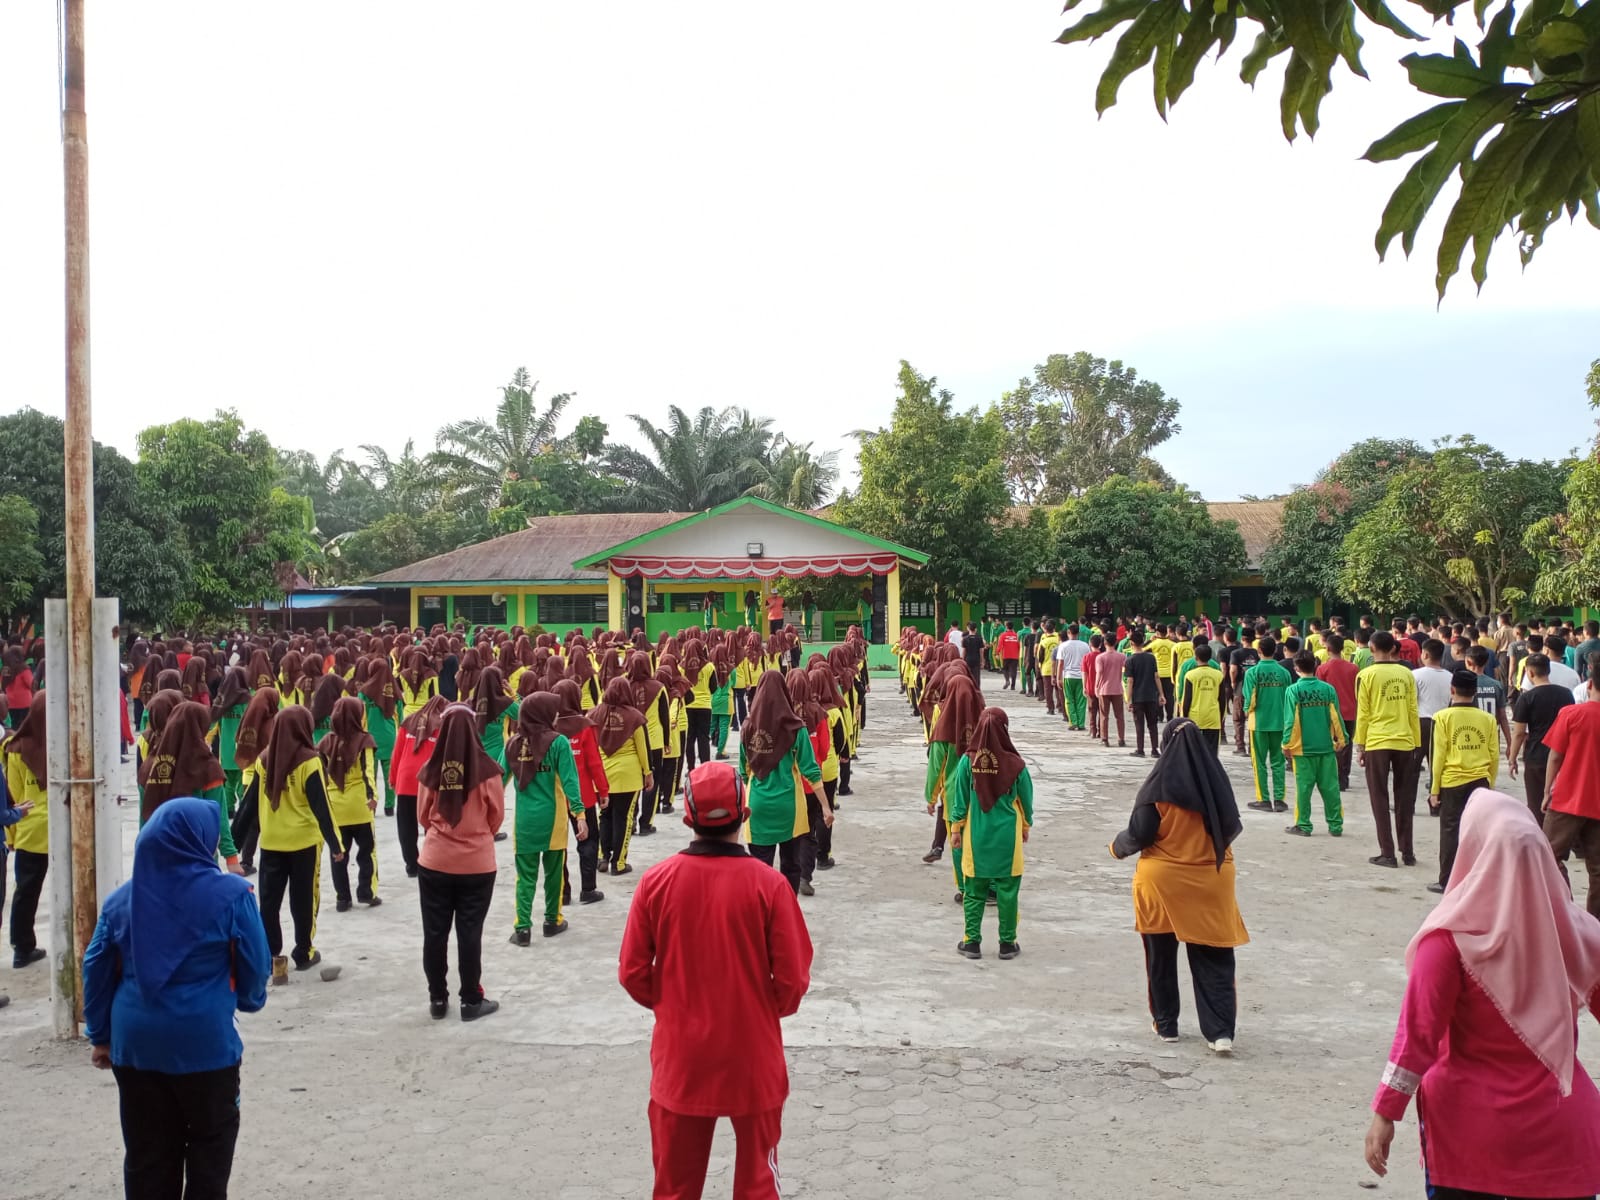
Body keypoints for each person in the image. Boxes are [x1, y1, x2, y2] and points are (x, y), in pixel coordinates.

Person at [1364, 790, 1600, 1197]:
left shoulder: (1448, 942)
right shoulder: (1576, 934)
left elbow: (1417, 1036)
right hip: (1564, 1137)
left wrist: (1387, 1111)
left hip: (1469, 1141)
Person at [619, 760, 813, 1200]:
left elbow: (632, 972)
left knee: (674, 1188)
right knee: (758, 1185)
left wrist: (673, 1003)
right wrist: (760, 1007)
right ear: (745, 813)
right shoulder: (770, 885)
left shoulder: (656, 883)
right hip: (752, 1056)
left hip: (682, 1060)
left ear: (687, 816)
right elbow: (793, 978)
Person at [82, 798, 272, 1200]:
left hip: (135, 1049)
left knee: (148, 1156)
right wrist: (251, 1001)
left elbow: (95, 967)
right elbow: (256, 963)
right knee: (210, 1152)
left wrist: (100, 1036)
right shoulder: (233, 895)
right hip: (206, 1048)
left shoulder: (120, 902)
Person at [1109, 718, 1248, 1054]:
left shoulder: (1157, 788)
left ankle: (1167, 1025)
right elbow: (1231, 825)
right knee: (1214, 957)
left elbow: (1139, 833)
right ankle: (1220, 1033)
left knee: (1159, 955)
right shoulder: (1217, 784)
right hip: (1210, 881)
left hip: (1162, 882)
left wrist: (1117, 847)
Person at [240, 706, 345, 981]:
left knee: (269, 903)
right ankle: (304, 951)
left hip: (271, 843)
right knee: (304, 900)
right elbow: (322, 806)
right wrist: (336, 844)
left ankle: (272, 955)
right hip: (303, 844)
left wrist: (234, 843)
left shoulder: (264, 759)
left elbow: (249, 804)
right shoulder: (310, 761)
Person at [416, 704, 505, 1021]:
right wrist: (475, 835)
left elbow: (423, 817)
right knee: (470, 932)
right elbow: (496, 818)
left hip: (435, 862)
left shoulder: (430, 768)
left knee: (435, 933)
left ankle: (437, 999)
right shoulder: (489, 771)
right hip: (477, 866)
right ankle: (470, 1000)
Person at [948, 709, 1033, 961]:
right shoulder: (1016, 764)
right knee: (1007, 891)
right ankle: (1007, 943)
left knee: (974, 890)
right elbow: (1026, 800)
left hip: (976, 836)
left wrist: (955, 829)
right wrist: (1026, 826)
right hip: (1008, 837)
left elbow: (959, 799)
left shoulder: (967, 761)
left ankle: (971, 942)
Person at [505, 695, 587, 945]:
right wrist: (580, 814)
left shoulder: (512, 745)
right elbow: (571, 780)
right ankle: (552, 920)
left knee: (525, 876)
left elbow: (496, 780)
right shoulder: (558, 742)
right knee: (554, 873)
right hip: (553, 820)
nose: (556, 716)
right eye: (553, 712)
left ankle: (522, 929)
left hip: (524, 822)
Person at [739, 672, 823, 893]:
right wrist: (825, 805)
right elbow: (811, 771)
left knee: (759, 869)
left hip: (756, 806)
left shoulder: (747, 728)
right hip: (789, 807)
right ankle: (787, 915)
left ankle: (760, 919)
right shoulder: (796, 729)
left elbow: (743, 771)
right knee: (791, 866)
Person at [1426, 670, 1499, 894]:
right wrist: (1490, 784)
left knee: (1450, 831)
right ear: (1475, 693)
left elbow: (1437, 756)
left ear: (1452, 690)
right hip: (1480, 781)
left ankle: (1447, 880)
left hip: (1452, 781)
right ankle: (1476, 881)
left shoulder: (1442, 718)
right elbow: (1494, 754)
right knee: (1477, 832)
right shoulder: (1488, 719)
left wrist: (1434, 789)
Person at [1355, 631, 1422, 870]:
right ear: (1393, 649)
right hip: (1405, 740)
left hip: (1377, 741)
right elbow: (1413, 709)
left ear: (1371, 648)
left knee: (1379, 798)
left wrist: (1360, 745)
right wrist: (1416, 742)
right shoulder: (1406, 674)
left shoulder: (1366, 675)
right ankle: (1408, 851)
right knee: (1404, 798)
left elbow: (1363, 713)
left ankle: (1388, 852)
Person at [1541, 672, 1600, 920]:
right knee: (1597, 869)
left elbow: (1555, 756)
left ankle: (1563, 910)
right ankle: (1595, 921)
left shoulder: (1571, 714)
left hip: (1567, 797)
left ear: (1589, 684)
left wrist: (1546, 792)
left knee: (1547, 857)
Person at [318, 695, 381, 912]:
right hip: (360, 806)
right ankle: (367, 892)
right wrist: (373, 797)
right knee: (367, 851)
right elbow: (368, 772)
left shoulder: (326, 742)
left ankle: (342, 899)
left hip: (336, 807)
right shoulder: (365, 740)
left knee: (338, 854)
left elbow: (323, 776)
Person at [552, 678, 608, 906]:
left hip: (555, 796)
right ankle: (588, 889)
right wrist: (603, 789)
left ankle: (563, 893)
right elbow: (594, 762)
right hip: (583, 795)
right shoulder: (585, 726)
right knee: (588, 840)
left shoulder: (548, 726)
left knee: (558, 845)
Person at [3, 692, 49, 968]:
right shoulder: (68, 740)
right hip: (66, 826)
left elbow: (14, 795)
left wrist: (11, 838)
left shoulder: (15, 747)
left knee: (26, 891)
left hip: (31, 829)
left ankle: (22, 948)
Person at [591, 677, 653, 876]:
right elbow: (643, 749)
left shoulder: (593, 714)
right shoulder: (634, 717)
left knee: (605, 815)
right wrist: (648, 772)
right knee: (623, 819)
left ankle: (603, 857)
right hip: (628, 775)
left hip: (602, 775)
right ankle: (618, 863)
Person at [1281, 650, 1346, 838]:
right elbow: (1336, 717)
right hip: (1326, 747)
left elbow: (1290, 721)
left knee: (1303, 789)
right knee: (1331, 788)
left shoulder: (1293, 690)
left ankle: (1303, 824)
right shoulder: (1328, 689)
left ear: (1296, 668)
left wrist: (1286, 744)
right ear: (1315, 666)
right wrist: (1342, 739)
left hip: (1303, 750)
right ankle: (1335, 825)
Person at [1510, 653, 1574, 824]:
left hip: (1536, 756)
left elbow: (1519, 733)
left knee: (1536, 804)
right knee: (1560, 803)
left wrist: (1512, 758)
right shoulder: (1566, 694)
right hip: (1562, 756)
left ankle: (1541, 841)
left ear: (1529, 673)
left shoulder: (1527, 697)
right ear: (1548, 670)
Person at [389, 695, 447, 878]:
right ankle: (432, 860)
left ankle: (411, 865)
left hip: (405, 779)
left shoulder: (408, 722)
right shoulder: (442, 725)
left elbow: (397, 753)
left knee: (406, 826)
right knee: (431, 822)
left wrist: (393, 779)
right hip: (428, 781)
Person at [1240, 636, 1291, 814]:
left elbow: (1250, 699)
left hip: (1259, 723)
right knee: (1278, 761)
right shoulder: (1284, 672)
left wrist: (1247, 711)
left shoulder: (1252, 673)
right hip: (1280, 722)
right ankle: (1279, 799)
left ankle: (1263, 798)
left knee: (1259, 762)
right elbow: (1289, 698)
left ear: (1259, 652)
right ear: (1275, 651)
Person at [1316, 634, 1359, 790]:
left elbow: (1319, 692)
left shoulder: (1322, 669)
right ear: (1343, 648)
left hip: (1329, 713)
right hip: (1349, 712)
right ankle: (1343, 778)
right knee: (1346, 745)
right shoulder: (1353, 668)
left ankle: (1331, 776)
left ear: (1327, 649)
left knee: (1329, 745)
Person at [1177, 643, 1222, 755]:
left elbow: (1186, 699)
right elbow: (1222, 700)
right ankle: (1211, 771)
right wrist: (1220, 717)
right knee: (1211, 751)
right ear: (1210, 657)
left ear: (1195, 657)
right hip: (1213, 717)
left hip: (1194, 718)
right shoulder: (1218, 675)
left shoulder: (1190, 675)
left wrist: (1184, 717)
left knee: (1194, 750)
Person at [1125, 630, 1162, 758]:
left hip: (1138, 697)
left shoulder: (1130, 660)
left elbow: (1130, 681)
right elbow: (1156, 677)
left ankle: (1140, 749)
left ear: (1131, 643)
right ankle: (1154, 749)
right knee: (1153, 724)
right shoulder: (1151, 658)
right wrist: (1161, 694)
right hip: (1151, 695)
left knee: (1139, 724)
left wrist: (1128, 699)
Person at [1055, 625, 1090, 731]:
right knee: (1081, 700)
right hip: (1081, 676)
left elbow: (1060, 663)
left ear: (1068, 632)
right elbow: (1087, 662)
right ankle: (1081, 723)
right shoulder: (1085, 646)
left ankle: (1073, 722)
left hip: (1068, 676)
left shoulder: (1063, 646)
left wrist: (1058, 678)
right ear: (1078, 633)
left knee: (1069, 700)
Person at [997, 622, 1021, 691]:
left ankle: (1007, 680)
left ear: (1006, 627)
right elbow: (1019, 646)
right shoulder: (1017, 635)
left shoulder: (1003, 635)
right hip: (1015, 656)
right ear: (1013, 627)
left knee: (1005, 669)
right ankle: (1013, 686)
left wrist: (997, 653)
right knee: (1014, 670)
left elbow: (1000, 645)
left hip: (1006, 655)